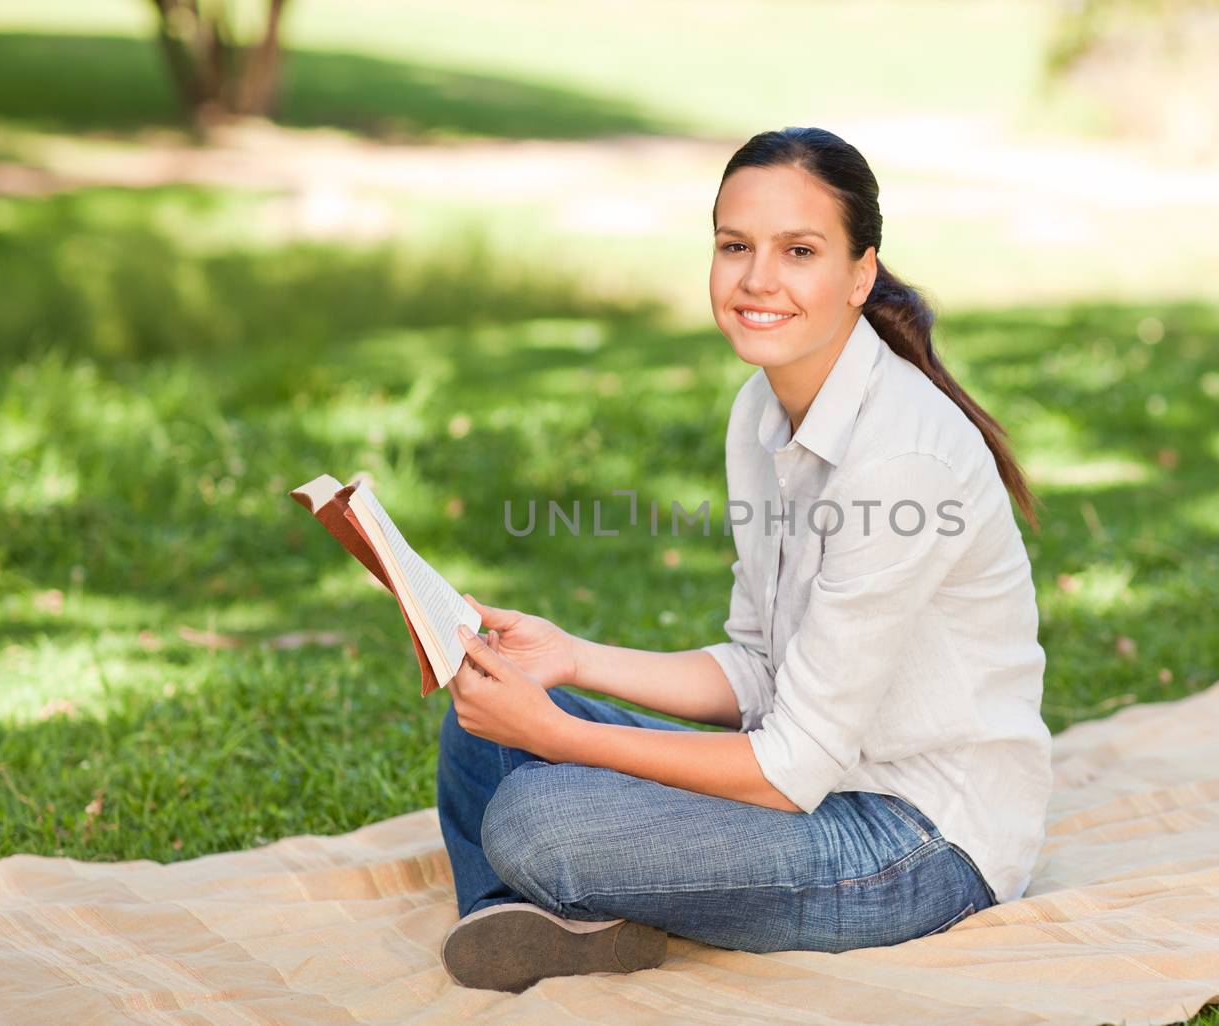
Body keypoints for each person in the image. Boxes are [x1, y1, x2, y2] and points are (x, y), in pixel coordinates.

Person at [434, 125, 1052, 994]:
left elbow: (790, 766)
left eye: (799, 250)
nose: (757, 279)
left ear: (860, 273)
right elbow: (759, 669)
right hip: (812, 785)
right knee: (482, 723)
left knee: (538, 814)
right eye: (735, 247)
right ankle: (535, 922)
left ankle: (551, 889)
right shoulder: (759, 412)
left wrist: (562, 738)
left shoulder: (903, 458)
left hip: (920, 845)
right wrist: (568, 660)